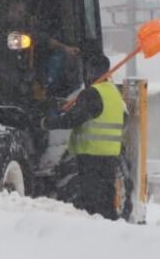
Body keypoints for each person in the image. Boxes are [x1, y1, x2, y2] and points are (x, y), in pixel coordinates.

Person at [45, 53, 128, 219]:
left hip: (91, 157)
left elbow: (73, 120)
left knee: (90, 203)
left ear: (90, 71)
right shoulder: (114, 93)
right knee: (106, 200)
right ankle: (110, 227)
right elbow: (124, 118)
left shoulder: (91, 94)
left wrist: (47, 123)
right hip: (110, 156)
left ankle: (94, 229)